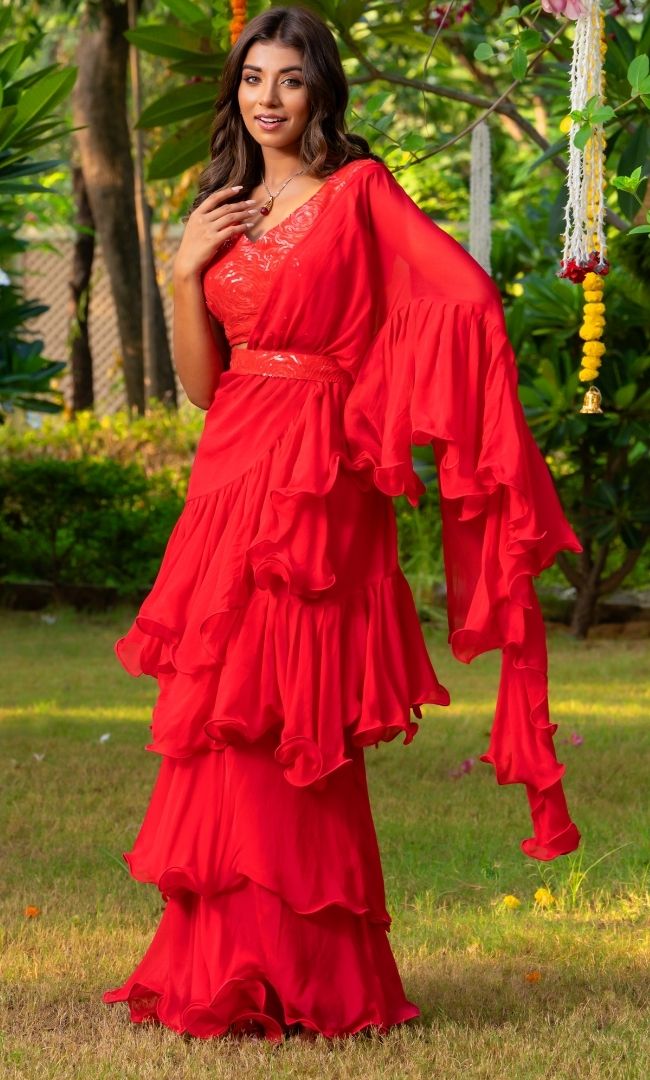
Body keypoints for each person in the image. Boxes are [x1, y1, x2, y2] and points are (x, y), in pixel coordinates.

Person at [102, 5, 582, 1042]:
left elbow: (461, 298)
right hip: (231, 466)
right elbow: (199, 387)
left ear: (320, 90)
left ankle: (311, 973)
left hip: (320, 477)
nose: (264, 99)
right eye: (250, 80)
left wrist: (385, 402)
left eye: (287, 80)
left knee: (296, 721)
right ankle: (220, 964)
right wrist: (183, 269)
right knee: (227, 711)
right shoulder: (219, 204)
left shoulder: (357, 193)